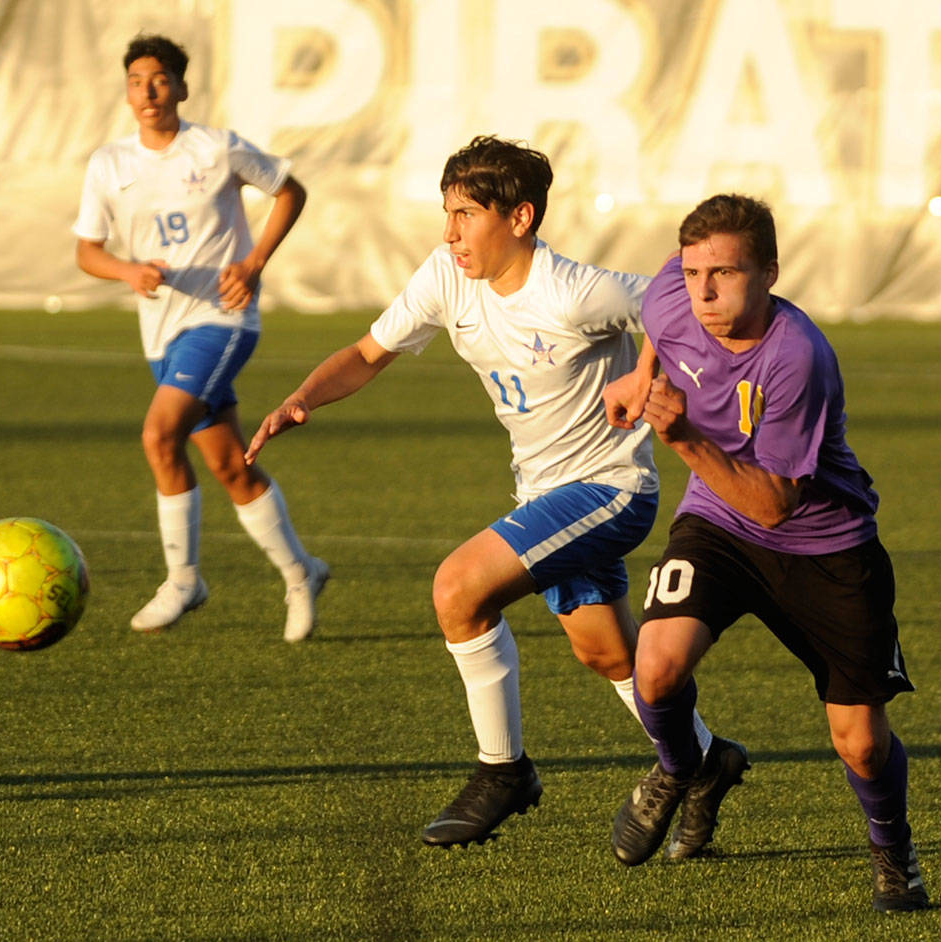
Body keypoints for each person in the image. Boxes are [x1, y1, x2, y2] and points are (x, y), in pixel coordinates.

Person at [245, 136, 741, 848]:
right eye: (446, 213)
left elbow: (674, 299)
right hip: (544, 497)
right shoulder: (446, 277)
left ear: (520, 217)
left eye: (467, 214)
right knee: (609, 657)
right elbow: (366, 353)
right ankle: (705, 761)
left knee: (457, 589)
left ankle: (502, 772)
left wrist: (646, 374)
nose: (450, 233)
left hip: (609, 490)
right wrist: (303, 399)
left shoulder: (572, 291)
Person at [603, 194, 927, 912]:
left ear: (771, 272)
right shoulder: (673, 296)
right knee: (654, 669)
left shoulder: (797, 358)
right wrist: (644, 374)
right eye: (694, 272)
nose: (704, 291)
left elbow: (775, 504)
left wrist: (683, 436)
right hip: (719, 527)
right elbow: (660, 317)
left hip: (824, 547)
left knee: (862, 745)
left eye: (725, 273)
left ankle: (892, 845)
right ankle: (686, 768)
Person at [73, 33, 328, 642]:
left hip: (223, 319)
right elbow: (86, 251)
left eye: (160, 79)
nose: (148, 91)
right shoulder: (109, 164)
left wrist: (255, 262)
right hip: (161, 334)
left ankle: (184, 580)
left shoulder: (216, 148)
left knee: (160, 434)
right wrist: (127, 271)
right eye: (137, 81)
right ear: (127, 91)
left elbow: (290, 191)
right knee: (230, 466)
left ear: (182, 88)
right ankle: (302, 572)